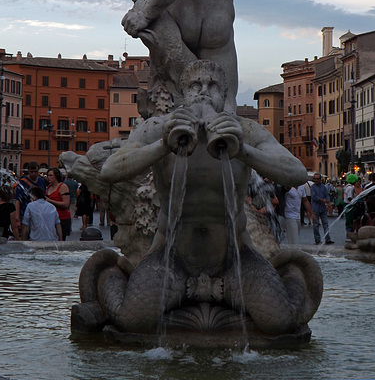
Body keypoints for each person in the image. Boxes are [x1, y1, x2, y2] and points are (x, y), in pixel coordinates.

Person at [98, 60, 317, 332]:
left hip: (234, 258)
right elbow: (109, 170)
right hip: (172, 257)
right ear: (183, 94)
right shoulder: (158, 127)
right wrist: (164, 144)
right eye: (194, 86)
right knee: (132, 319)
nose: (203, 92)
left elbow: (297, 173)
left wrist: (242, 151)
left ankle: (288, 274)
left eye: (212, 86)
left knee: (278, 321)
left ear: (223, 95)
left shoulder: (243, 130)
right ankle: (110, 273)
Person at [14, 162, 47, 234]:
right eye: (31, 172)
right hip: (25, 214)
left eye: (35, 172)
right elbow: (17, 200)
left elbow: (44, 197)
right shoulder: (22, 183)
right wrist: (17, 218)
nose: (34, 174)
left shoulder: (41, 181)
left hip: (39, 214)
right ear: (28, 171)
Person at [45, 167, 72, 240]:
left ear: (56, 176)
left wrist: (50, 201)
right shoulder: (49, 187)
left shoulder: (63, 187)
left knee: (61, 239)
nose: (49, 177)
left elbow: (66, 204)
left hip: (62, 217)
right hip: (52, 218)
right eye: (48, 175)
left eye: (51, 175)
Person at [310, 173, 334, 244]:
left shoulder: (323, 187)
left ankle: (328, 239)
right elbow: (314, 197)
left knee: (325, 224)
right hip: (315, 208)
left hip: (323, 208)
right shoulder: (312, 187)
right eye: (315, 179)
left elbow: (327, 194)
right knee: (316, 225)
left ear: (320, 179)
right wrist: (323, 200)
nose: (316, 180)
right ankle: (317, 239)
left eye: (318, 179)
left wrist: (328, 201)